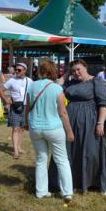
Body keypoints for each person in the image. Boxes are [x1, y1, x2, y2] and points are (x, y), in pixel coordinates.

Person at [49, 59, 106, 195]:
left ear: (85, 68)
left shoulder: (96, 82)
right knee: (68, 151)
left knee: (90, 153)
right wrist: (66, 74)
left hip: (90, 122)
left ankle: (94, 183)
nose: (76, 73)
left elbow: (103, 104)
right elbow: (57, 85)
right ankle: (69, 182)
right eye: (73, 71)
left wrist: (100, 123)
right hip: (69, 122)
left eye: (78, 70)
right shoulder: (70, 83)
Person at [24, 60, 74, 201]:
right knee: (62, 160)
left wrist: (26, 123)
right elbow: (63, 113)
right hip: (54, 128)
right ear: (53, 72)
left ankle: (41, 192)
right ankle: (67, 192)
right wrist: (69, 131)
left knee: (41, 160)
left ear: (40, 71)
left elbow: (27, 108)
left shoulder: (32, 86)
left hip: (36, 127)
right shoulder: (57, 89)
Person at [0, 62, 32, 159]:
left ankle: (19, 147)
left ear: (25, 70)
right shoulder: (12, 80)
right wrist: (6, 99)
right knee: (15, 128)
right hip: (15, 107)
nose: (16, 71)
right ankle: (16, 151)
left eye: (19, 70)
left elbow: (33, 93)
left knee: (22, 128)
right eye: (16, 69)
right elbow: (0, 90)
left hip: (26, 106)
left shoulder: (30, 81)